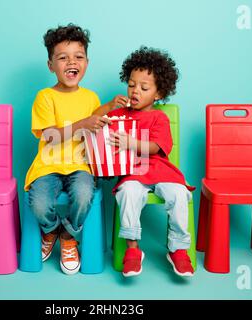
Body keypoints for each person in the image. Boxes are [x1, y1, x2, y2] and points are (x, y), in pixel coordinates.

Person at [24, 24, 125, 275]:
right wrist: (82, 124)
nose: (72, 61)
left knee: (83, 195)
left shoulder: (90, 96)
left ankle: (69, 236)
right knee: (38, 204)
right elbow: (48, 136)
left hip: (81, 165)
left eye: (78, 56)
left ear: (87, 63)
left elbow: (94, 117)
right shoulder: (45, 97)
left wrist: (110, 106)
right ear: (51, 65)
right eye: (63, 57)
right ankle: (51, 231)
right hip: (48, 166)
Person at [96, 46, 196, 277]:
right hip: (133, 173)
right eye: (131, 85)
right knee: (128, 192)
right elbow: (95, 119)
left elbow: (156, 147)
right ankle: (133, 249)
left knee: (179, 195)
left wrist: (131, 143)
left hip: (162, 172)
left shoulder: (159, 117)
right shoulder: (120, 114)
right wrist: (110, 107)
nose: (135, 91)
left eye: (144, 87)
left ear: (158, 93)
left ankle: (178, 249)